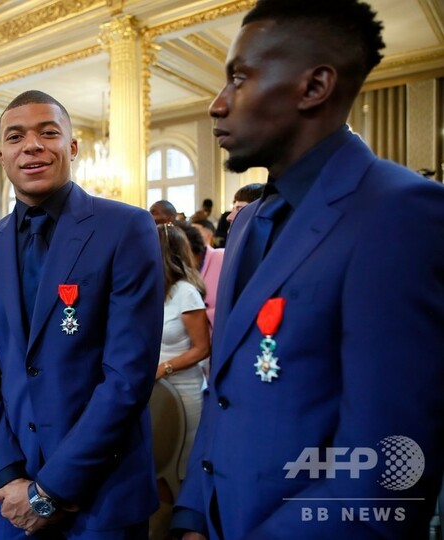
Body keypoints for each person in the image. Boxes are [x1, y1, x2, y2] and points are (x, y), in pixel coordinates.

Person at [172, 1, 444, 538]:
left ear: (313, 87)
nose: (217, 104)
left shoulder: (398, 213)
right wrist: (194, 516)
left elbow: (387, 472)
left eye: (239, 79)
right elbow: (225, 393)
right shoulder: (248, 222)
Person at [0, 90, 164, 539]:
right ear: (2, 155)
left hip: (101, 493)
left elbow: (128, 376)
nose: (31, 145)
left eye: (48, 133)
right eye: (16, 137)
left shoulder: (125, 227)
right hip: (11, 496)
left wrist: (50, 489)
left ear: (72, 147)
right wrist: (7, 475)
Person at [155, 222, 210, 504]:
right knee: (158, 461)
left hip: (183, 390)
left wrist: (163, 369)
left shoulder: (186, 292)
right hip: (153, 390)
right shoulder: (151, 289)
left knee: (181, 466)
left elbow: (202, 348)